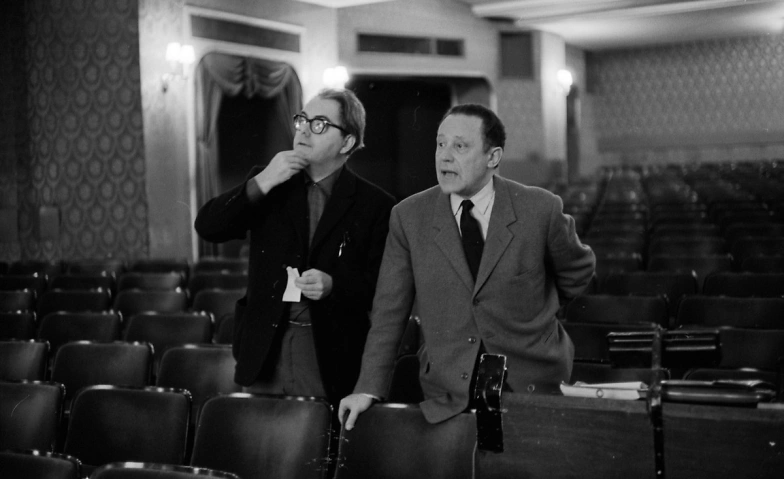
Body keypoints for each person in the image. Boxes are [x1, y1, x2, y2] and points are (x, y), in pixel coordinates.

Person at [339, 103, 595, 428]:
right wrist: (367, 388)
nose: (444, 157)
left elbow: (577, 273)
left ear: (493, 157)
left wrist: (538, 310)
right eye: (440, 144)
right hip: (449, 389)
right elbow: (389, 312)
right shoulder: (409, 217)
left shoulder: (540, 209)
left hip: (532, 380)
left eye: (459, 146)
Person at [195, 88, 396, 405]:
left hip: (328, 350)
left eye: (319, 124)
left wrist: (334, 284)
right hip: (264, 348)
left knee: (318, 432)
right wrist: (263, 180)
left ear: (347, 142)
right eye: (302, 120)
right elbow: (208, 226)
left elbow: (381, 287)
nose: (303, 130)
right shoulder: (269, 182)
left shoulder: (375, 204)